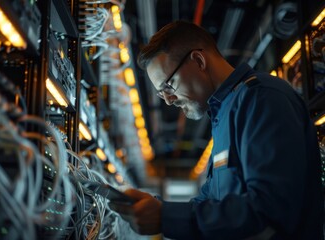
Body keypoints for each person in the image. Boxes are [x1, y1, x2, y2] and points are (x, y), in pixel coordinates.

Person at [109, 20, 324, 239]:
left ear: (199, 60)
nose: (168, 101)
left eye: (168, 86)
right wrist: (155, 207)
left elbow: (269, 210)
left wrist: (165, 216)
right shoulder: (223, 115)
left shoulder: (261, 99)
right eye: (161, 94)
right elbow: (210, 201)